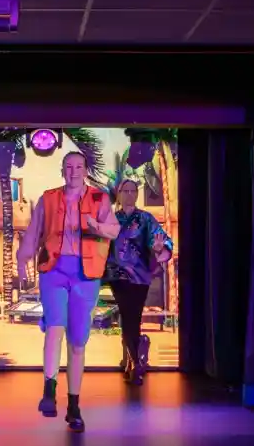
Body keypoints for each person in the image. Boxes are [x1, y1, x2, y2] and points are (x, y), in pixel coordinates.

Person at [16, 151, 120, 432]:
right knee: (54, 327)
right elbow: (33, 233)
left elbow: (113, 230)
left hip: (86, 275)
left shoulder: (99, 198)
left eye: (78, 167)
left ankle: (74, 405)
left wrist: (96, 226)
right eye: (68, 167)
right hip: (53, 270)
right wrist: (22, 259)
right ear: (62, 170)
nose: (73, 171)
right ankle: (49, 390)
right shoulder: (49, 198)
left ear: (85, 170)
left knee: (77, 343)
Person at [105, 179, 173, 386]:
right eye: (125, 190)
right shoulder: (111, 219)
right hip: (118, 276)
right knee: (128, 316)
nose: (129, 194)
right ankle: (136, 364)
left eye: (133, 190)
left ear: (137, 194)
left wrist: (160, 247)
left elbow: (162, 240)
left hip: (139, 277)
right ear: (119, 194)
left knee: (132, 318)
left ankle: (131, 363)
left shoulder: (146, 219)